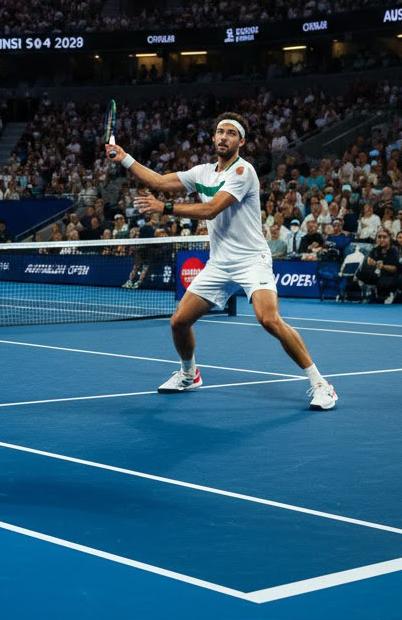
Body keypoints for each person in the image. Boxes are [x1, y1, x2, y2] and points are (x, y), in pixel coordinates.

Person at [108, 112, 337, 410]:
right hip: (219, 263)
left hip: (251, 260)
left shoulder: (244, 172)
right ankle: (189, 375)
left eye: (230, 133)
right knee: (179, 322)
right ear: (213, 137)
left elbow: (211, 209)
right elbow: (160, 180)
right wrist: (125, 158)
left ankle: (321, 384)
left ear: (241, 141)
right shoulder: (203, 172)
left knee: (268, 319)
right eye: (219, 131)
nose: (223, 137)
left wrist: (163, 208)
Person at [354, 229, 402, 303]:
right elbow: (369, 261)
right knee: (360, 273)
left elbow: (395, 269)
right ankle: (368, 292)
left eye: (384, 237)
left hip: (390, 276)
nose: (381, 239)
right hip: (377, 274)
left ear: (389, 238)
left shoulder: (394, 251)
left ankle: (392, 293)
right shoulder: (375, 250)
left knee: (383, 281)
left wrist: (383, 266)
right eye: (379, 237)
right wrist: (370, 262)